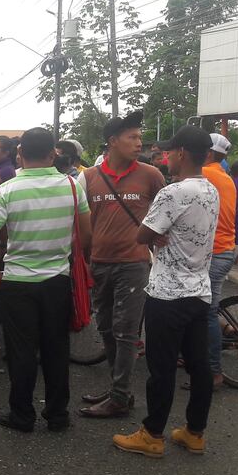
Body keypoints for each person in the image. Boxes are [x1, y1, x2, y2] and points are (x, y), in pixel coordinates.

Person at [112, 127, 219, 458]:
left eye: (169, 152)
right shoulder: (211, 189)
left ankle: (153, 434)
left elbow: (142, 236)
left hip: (168, 293)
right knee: (199, 366)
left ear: (182, 153)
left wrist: (155, 230)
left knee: (161, 366)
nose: (165, 157)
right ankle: (194, 432)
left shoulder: (173, 192)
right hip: (200, 291)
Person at [0, 127, 91, 432]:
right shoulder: (72, 186)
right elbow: (86, 235)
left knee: (21, 351)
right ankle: (58, 414)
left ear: (19, 154)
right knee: (56, 349)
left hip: (17, 281)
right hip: (58, 280)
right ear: (52, 154)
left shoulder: (6, 190)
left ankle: (22, 414)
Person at [81, 110, 165, 418]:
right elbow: (82, 221)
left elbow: (165, 212)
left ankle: (119, 394)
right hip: (99, 261)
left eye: (140, 136)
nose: (139, 142)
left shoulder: (151, 174)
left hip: (134, 263)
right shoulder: (88, 177)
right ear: (113, 141)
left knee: (126, 331)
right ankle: (119, 389)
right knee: (104, 327)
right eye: (132, 137)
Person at [201, 134, 237, 388]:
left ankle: (213, 371)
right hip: (223, 249)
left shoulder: (205, 173)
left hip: (215, 251)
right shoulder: (225, 177)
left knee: (207, 312)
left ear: (209, 153)